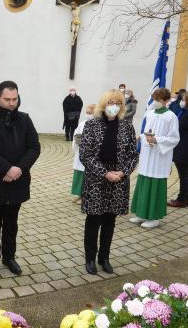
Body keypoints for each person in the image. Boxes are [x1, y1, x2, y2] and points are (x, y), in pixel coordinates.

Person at [0, 80, 40, 278]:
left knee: (12, 222)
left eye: (14, 99)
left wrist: (19, 168)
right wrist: (6, 168)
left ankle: (9, 257)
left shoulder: (25, 119)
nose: (11, 103)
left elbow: (34, 147)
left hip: (18, 180)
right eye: (7, 99)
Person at [79, 90, 138, 274]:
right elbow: (86, 156)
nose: (114, 106)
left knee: (110, 221)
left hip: (118, 180)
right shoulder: (91, 125)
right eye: (110, 102)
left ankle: (104, 257)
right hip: (97, 179)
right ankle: (90, 258)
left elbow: (133, 155)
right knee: (93, 220)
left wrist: (123, 172)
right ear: (103, 104)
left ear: (122, 106)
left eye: (118, 103)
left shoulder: (127, 127)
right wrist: (105, 173)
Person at [129, 88, 180, 228]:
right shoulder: (150, 113)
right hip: (147, 154)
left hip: (159, 156)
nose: (155, 102)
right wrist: (140, 137)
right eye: (154, 99)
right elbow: (147, 131)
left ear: (166, 101)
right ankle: (141, 214)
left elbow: (174, 138)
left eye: (159, 100)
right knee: (144, 181)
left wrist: (157, 140)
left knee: (155, 184)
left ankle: (154, 217)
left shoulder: (171, 116)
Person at [71, 104, 95, 203]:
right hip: (80, 152)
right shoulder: (82, 123)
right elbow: (76, 133)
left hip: (89, 154)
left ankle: (85, 196)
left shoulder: (97, 124)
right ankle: (79, 194)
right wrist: (77, 139)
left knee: (86, 175)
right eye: (87, 112)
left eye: (90, 113)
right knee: (79, 173)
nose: (88, 115)